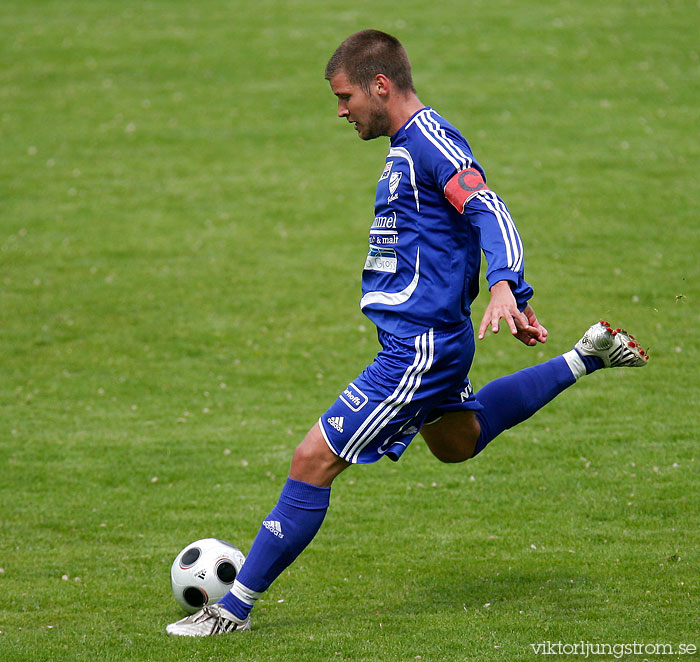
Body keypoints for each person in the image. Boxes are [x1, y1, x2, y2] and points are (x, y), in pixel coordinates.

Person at [166, 29, 648, 637]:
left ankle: (230, 613)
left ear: (380, 85)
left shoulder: (430, 143)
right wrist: (513, 295)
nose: (341, 111)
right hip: (424, 342)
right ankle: (586, 355)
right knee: (457, 441)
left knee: (313, 458)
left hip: (419, 348)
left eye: (345, 97)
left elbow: (488, 209)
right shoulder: (409, 144)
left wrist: (505, 284)